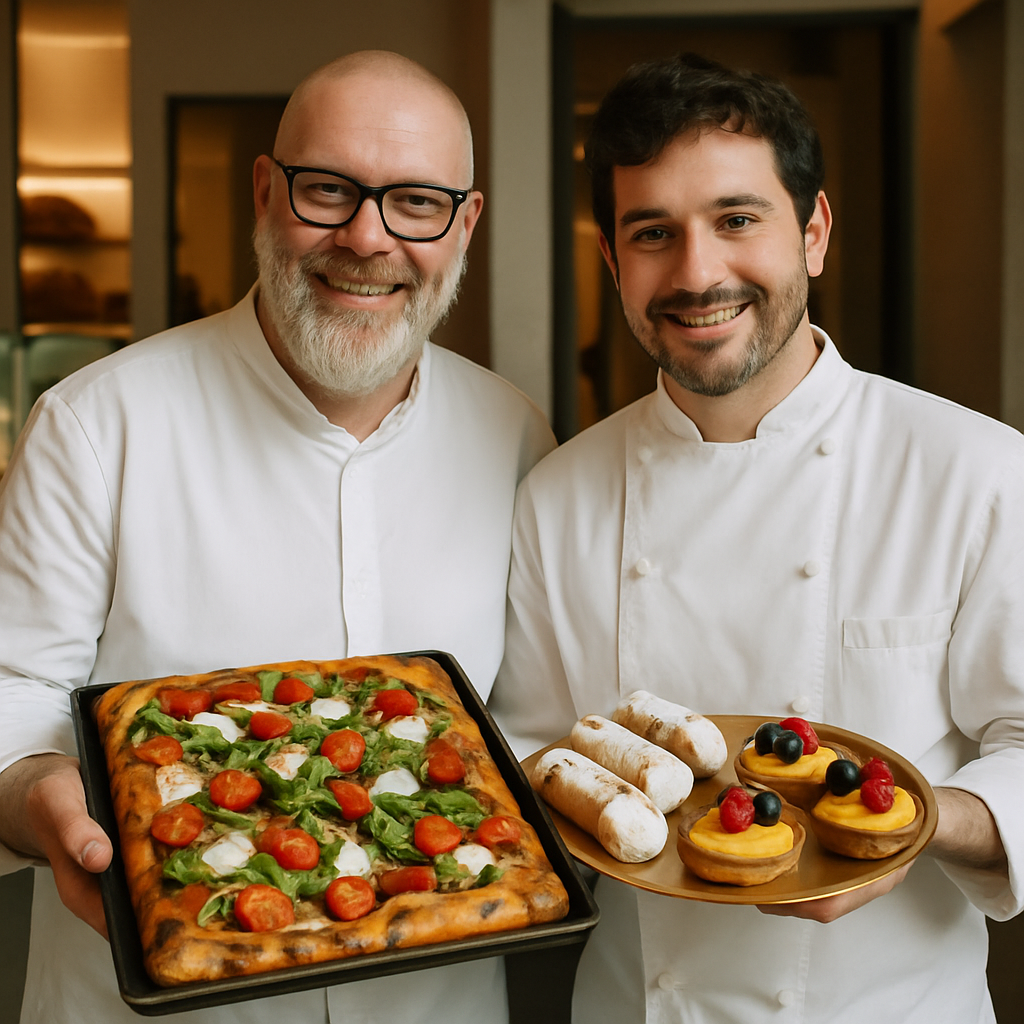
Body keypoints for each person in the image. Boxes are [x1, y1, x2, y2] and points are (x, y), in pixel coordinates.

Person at [0, 50, 554, 1024]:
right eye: (328, 190)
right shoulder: (96, 422)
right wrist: (42, 796)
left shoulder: (515, 434)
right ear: (265, 192)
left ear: (464, 224)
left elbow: (523, 728)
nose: (367, 237)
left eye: (416, 202)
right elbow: (11, 694)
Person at [490, 52, 1024, 1023]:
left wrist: (912, 823)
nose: (698, 274)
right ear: (613, 261)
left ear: (813, 233)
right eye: (653, 233)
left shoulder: (974, 469)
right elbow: (533, 753)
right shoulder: (558, 495)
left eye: (737, 219)